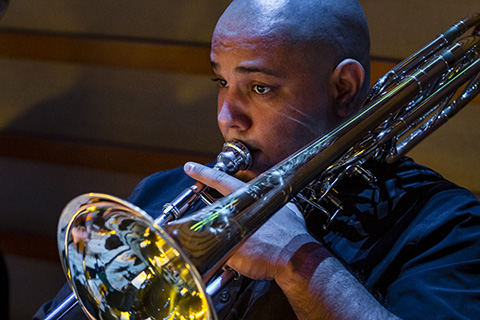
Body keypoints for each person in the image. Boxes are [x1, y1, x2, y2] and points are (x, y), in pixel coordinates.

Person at [34, 0, 480, 319]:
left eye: (259, 88)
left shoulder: (448, 225)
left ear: (343, 89)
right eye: (220, 82)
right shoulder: (162, 192)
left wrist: (299, 262)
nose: (227, 117)